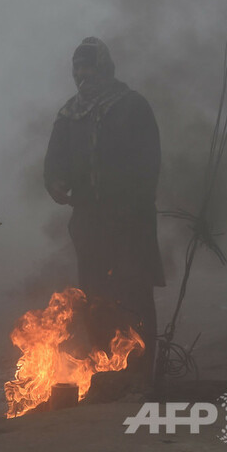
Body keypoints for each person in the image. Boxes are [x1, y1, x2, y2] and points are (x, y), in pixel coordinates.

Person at [43, 37, 164, 381]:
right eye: (77, 68)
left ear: (106, 68)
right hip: (89, 225)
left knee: (134, 294)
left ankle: (140, 373)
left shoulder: (132, 107)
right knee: (95, 298)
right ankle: (104, 371)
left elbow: (149, 164)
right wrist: (54, 183)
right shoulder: (69, 114)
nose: (83, 74)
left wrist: (130, 207)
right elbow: (55, 163)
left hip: (130, 223)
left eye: (89, 66)